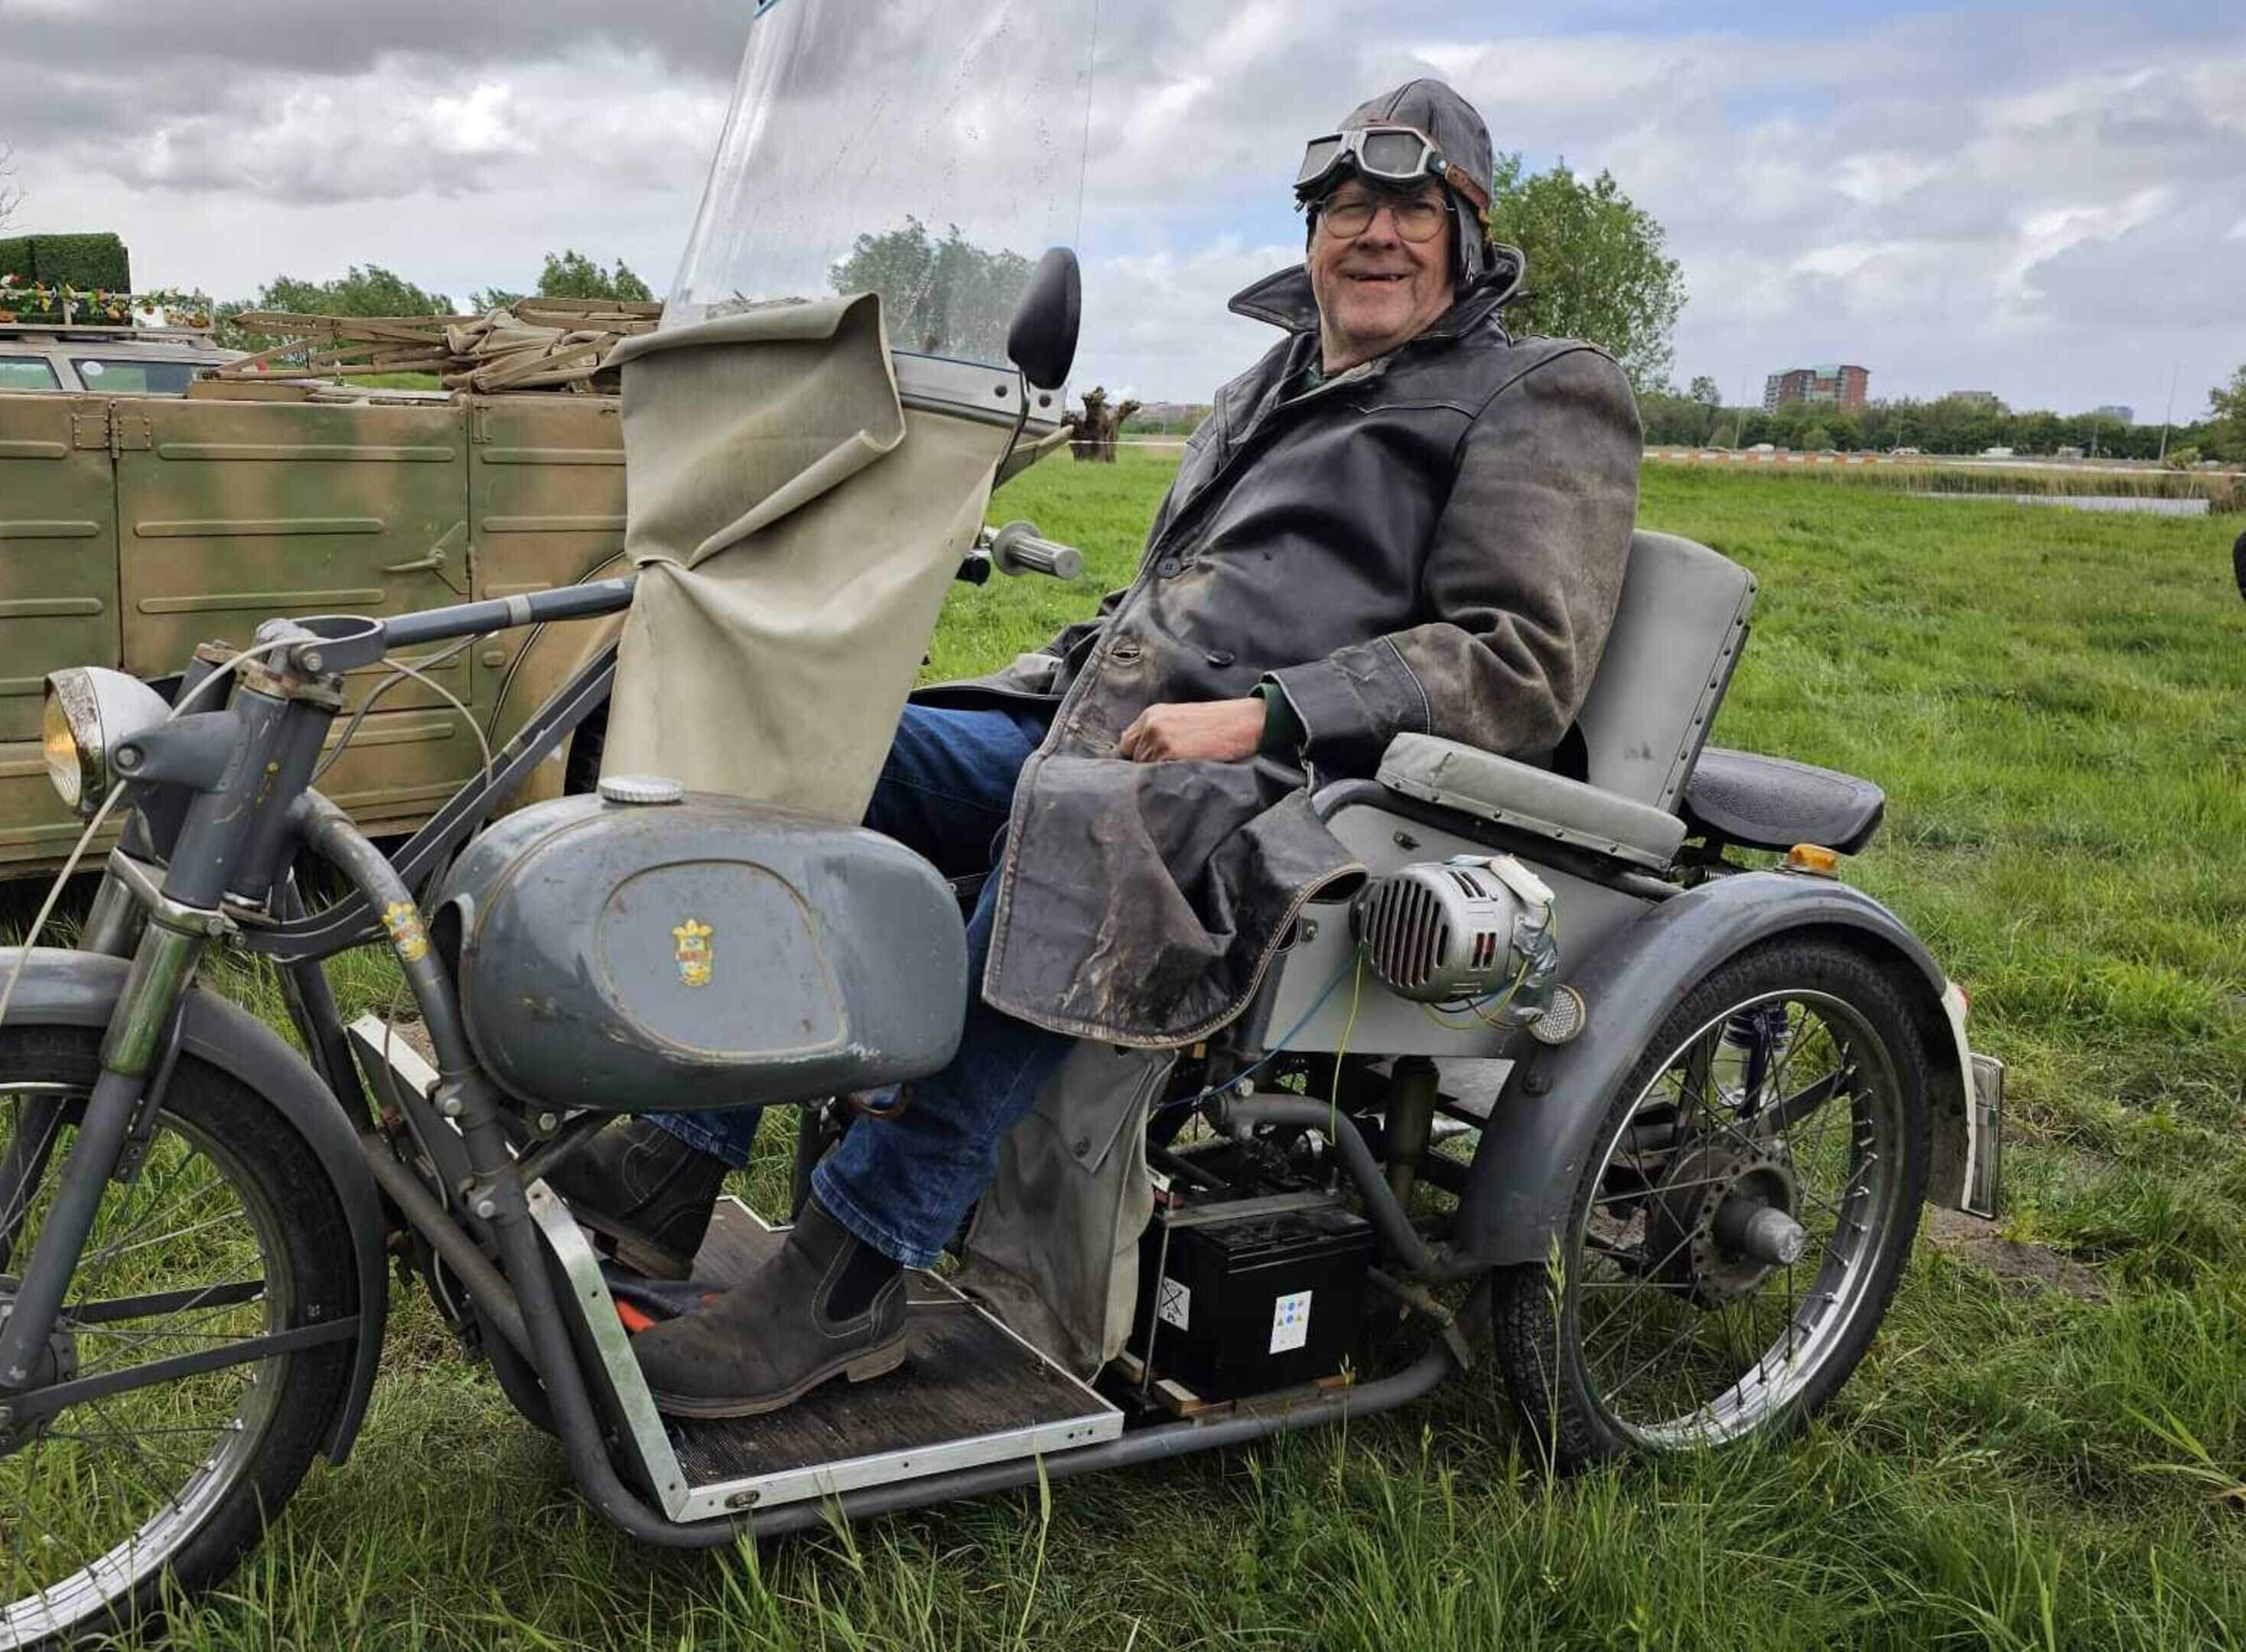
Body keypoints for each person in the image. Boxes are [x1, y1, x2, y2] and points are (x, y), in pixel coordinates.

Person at [552, 78, 1643, 1419]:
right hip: (1108, 729)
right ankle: (678, 1148)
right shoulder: (1278, 380)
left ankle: (855, 1265)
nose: (1374, 235)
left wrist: (1279, 711)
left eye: (1411, 210)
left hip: (1297, 783)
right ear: (1310, 234)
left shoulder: (1542, 392)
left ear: (1469, 237)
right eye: (1347, 206)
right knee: (814, 749)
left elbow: (1519, 658)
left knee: (1080, 817)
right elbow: (1182, 592)